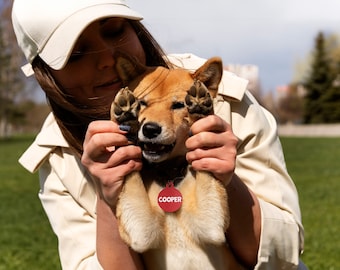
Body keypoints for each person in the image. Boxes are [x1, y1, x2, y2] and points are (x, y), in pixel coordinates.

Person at [12, 0, 307, 269]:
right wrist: (108, 199)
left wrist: (225, 180)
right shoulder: (59, 154)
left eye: (115, 31)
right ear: (44, 73)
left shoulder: (224, 101)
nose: (107, 59)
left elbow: (284, 255)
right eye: (76, 54)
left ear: (137, 30)